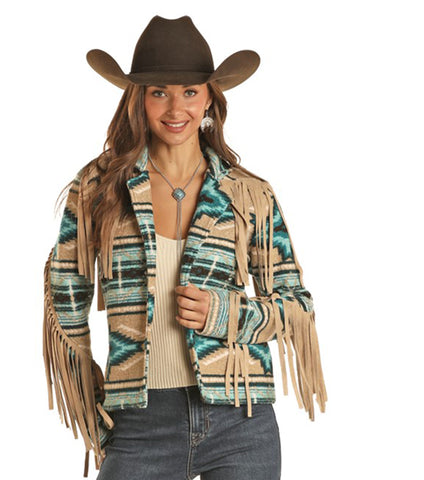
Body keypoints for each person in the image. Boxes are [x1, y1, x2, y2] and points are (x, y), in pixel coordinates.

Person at [42, 15, 327, 480]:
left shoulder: (248, 194)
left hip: (242, 418)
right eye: (159, 92)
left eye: (190, 92)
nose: (176, 108)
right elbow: (65, 299)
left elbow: (297, 306)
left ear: (210, 97)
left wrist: (225, 313)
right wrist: (93, 401)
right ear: (138, 99)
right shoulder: (98, 188)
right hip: (139, 423)